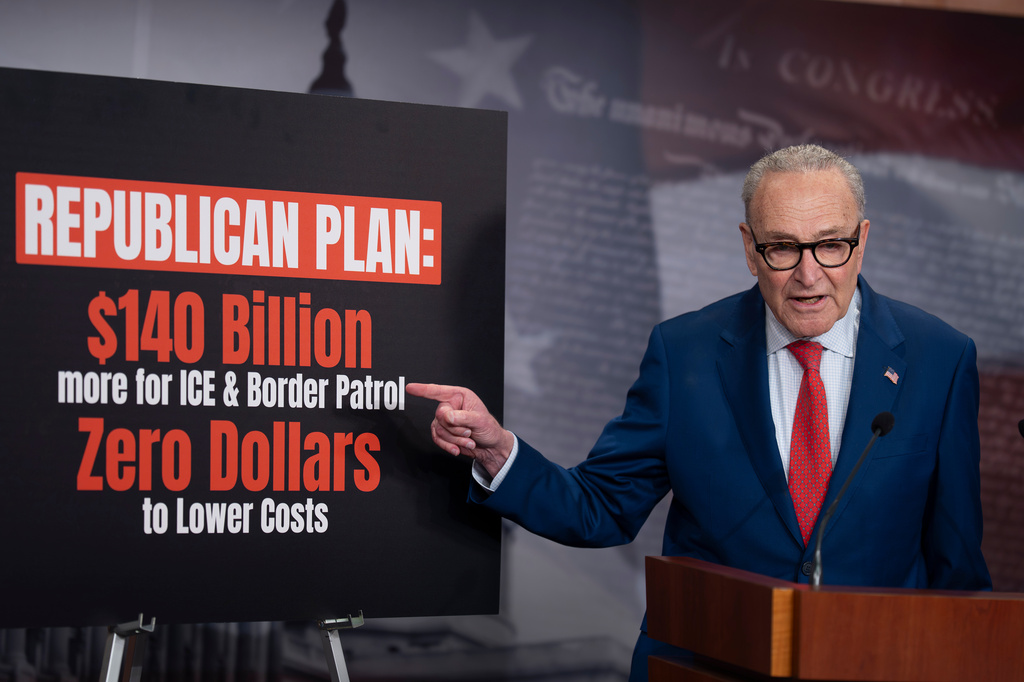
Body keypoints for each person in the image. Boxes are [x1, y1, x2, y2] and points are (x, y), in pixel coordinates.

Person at [406, 144, 991, 681]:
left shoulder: (939, 358)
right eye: (783, 247)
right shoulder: (684, 351)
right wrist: (498, 453)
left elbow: (956, 566)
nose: (808, 275)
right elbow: (601, 508)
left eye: (831, 245)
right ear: (748, 247)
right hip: (708, 663)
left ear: (862, 240)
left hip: (872, 666)